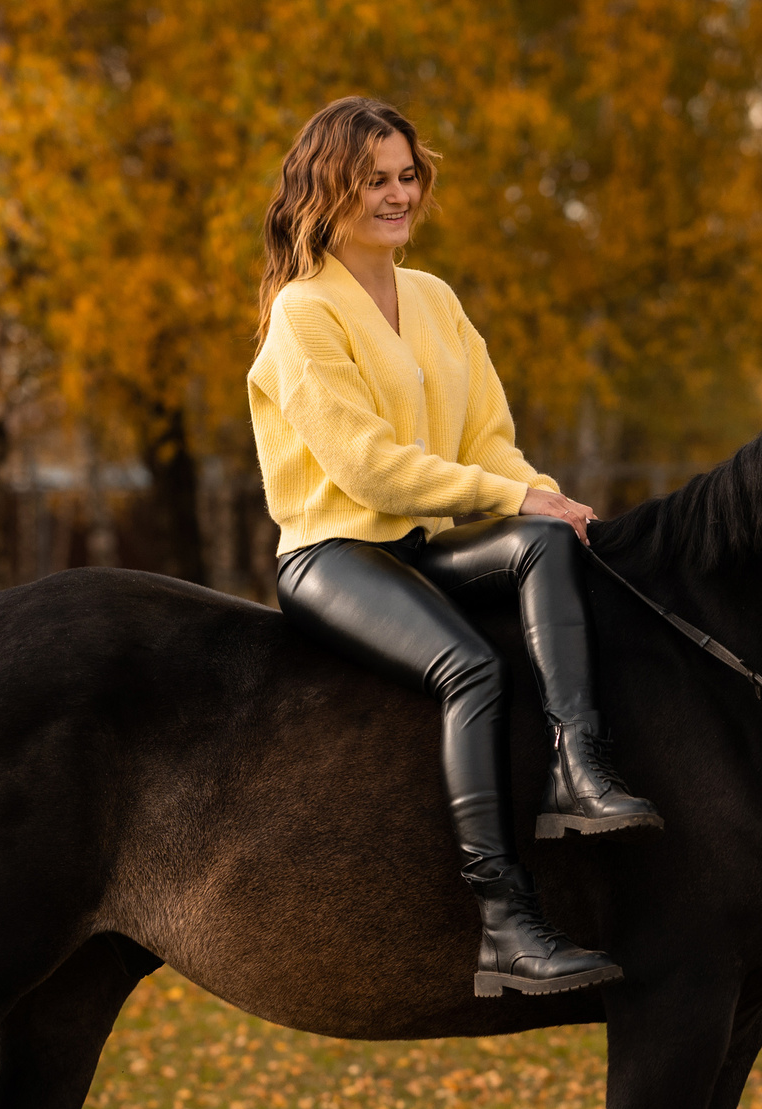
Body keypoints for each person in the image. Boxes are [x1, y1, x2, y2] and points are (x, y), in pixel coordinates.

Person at [248, 96, 659, 998]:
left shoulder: (433, 298)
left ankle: (574, 767)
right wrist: (510, 493)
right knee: (470, 667)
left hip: (423, 544)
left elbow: (487, 438)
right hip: (335, 553)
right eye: (375, 182)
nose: (397, 197)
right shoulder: (302, 315)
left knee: (542, 547)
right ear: (328, 190)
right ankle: (506, 928)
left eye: (406, 178)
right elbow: (368, 470)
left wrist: (539, 498)